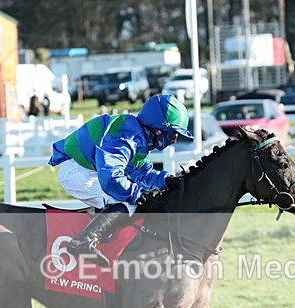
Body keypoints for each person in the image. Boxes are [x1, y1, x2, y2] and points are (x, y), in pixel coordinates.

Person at [48, 94, 193, 266]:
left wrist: (167, 181)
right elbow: (110, 178)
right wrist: (138, 195)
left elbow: (143, 174)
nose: (174, 141)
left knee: (131, 199)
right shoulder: (126, 137)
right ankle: (84, 241)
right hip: (77, 171)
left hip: (86, 169)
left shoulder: (137, 136)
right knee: (129, 203)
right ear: (158, 129)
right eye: (173, 135)